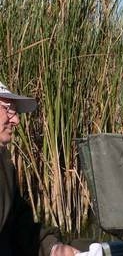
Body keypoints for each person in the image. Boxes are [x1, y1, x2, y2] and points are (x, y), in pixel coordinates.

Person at [0, 80, 79, 256]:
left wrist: (52, 247)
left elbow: (20, 223)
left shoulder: (4, 164)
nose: (16, 120)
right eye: (9, 109)